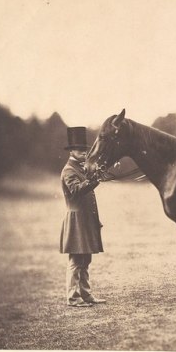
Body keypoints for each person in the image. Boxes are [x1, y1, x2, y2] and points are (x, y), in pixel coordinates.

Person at [60, 126, 106, 307]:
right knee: (76, 260)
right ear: (71, 151)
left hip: (85, 220)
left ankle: (86, 295)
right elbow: (76, 190)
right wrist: (94, 181)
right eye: (80, 150)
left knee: (85, 259)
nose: (83, 153)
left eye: (85, 150)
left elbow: (87, 183)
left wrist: (95, 176)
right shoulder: (69, 170)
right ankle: (73, 297)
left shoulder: (79, 168)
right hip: (77, 221)